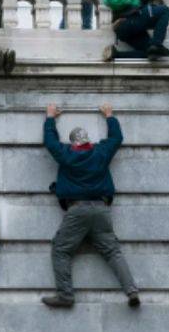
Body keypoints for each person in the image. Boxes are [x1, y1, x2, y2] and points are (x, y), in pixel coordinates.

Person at [41, 102, 138, 310]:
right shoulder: (100, 152)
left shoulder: (67, 154)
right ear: (88, 141)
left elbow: (50, 142)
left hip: (78, 210)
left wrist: (50, 118)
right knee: (113, 252)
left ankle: (66, 295)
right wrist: (109, 116)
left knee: (61, 250)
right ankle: (131, 290)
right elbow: (116, 139)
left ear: (73, 143)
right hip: (102, 209)